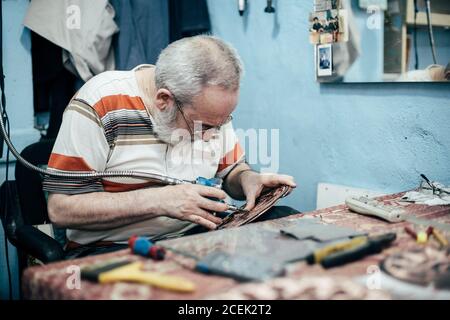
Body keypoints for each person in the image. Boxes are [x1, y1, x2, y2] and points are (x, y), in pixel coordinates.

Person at [44, 35, 297, 257]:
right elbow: (61, 209)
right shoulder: (101, 102)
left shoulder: (210, 112)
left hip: (196, 236)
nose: (212, 136)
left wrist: (248, 180)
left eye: (223, 123)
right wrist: (161, 200)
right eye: (206, 127)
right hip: (113, 248)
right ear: (165, 99)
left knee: (286, 223)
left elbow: (231, 171)